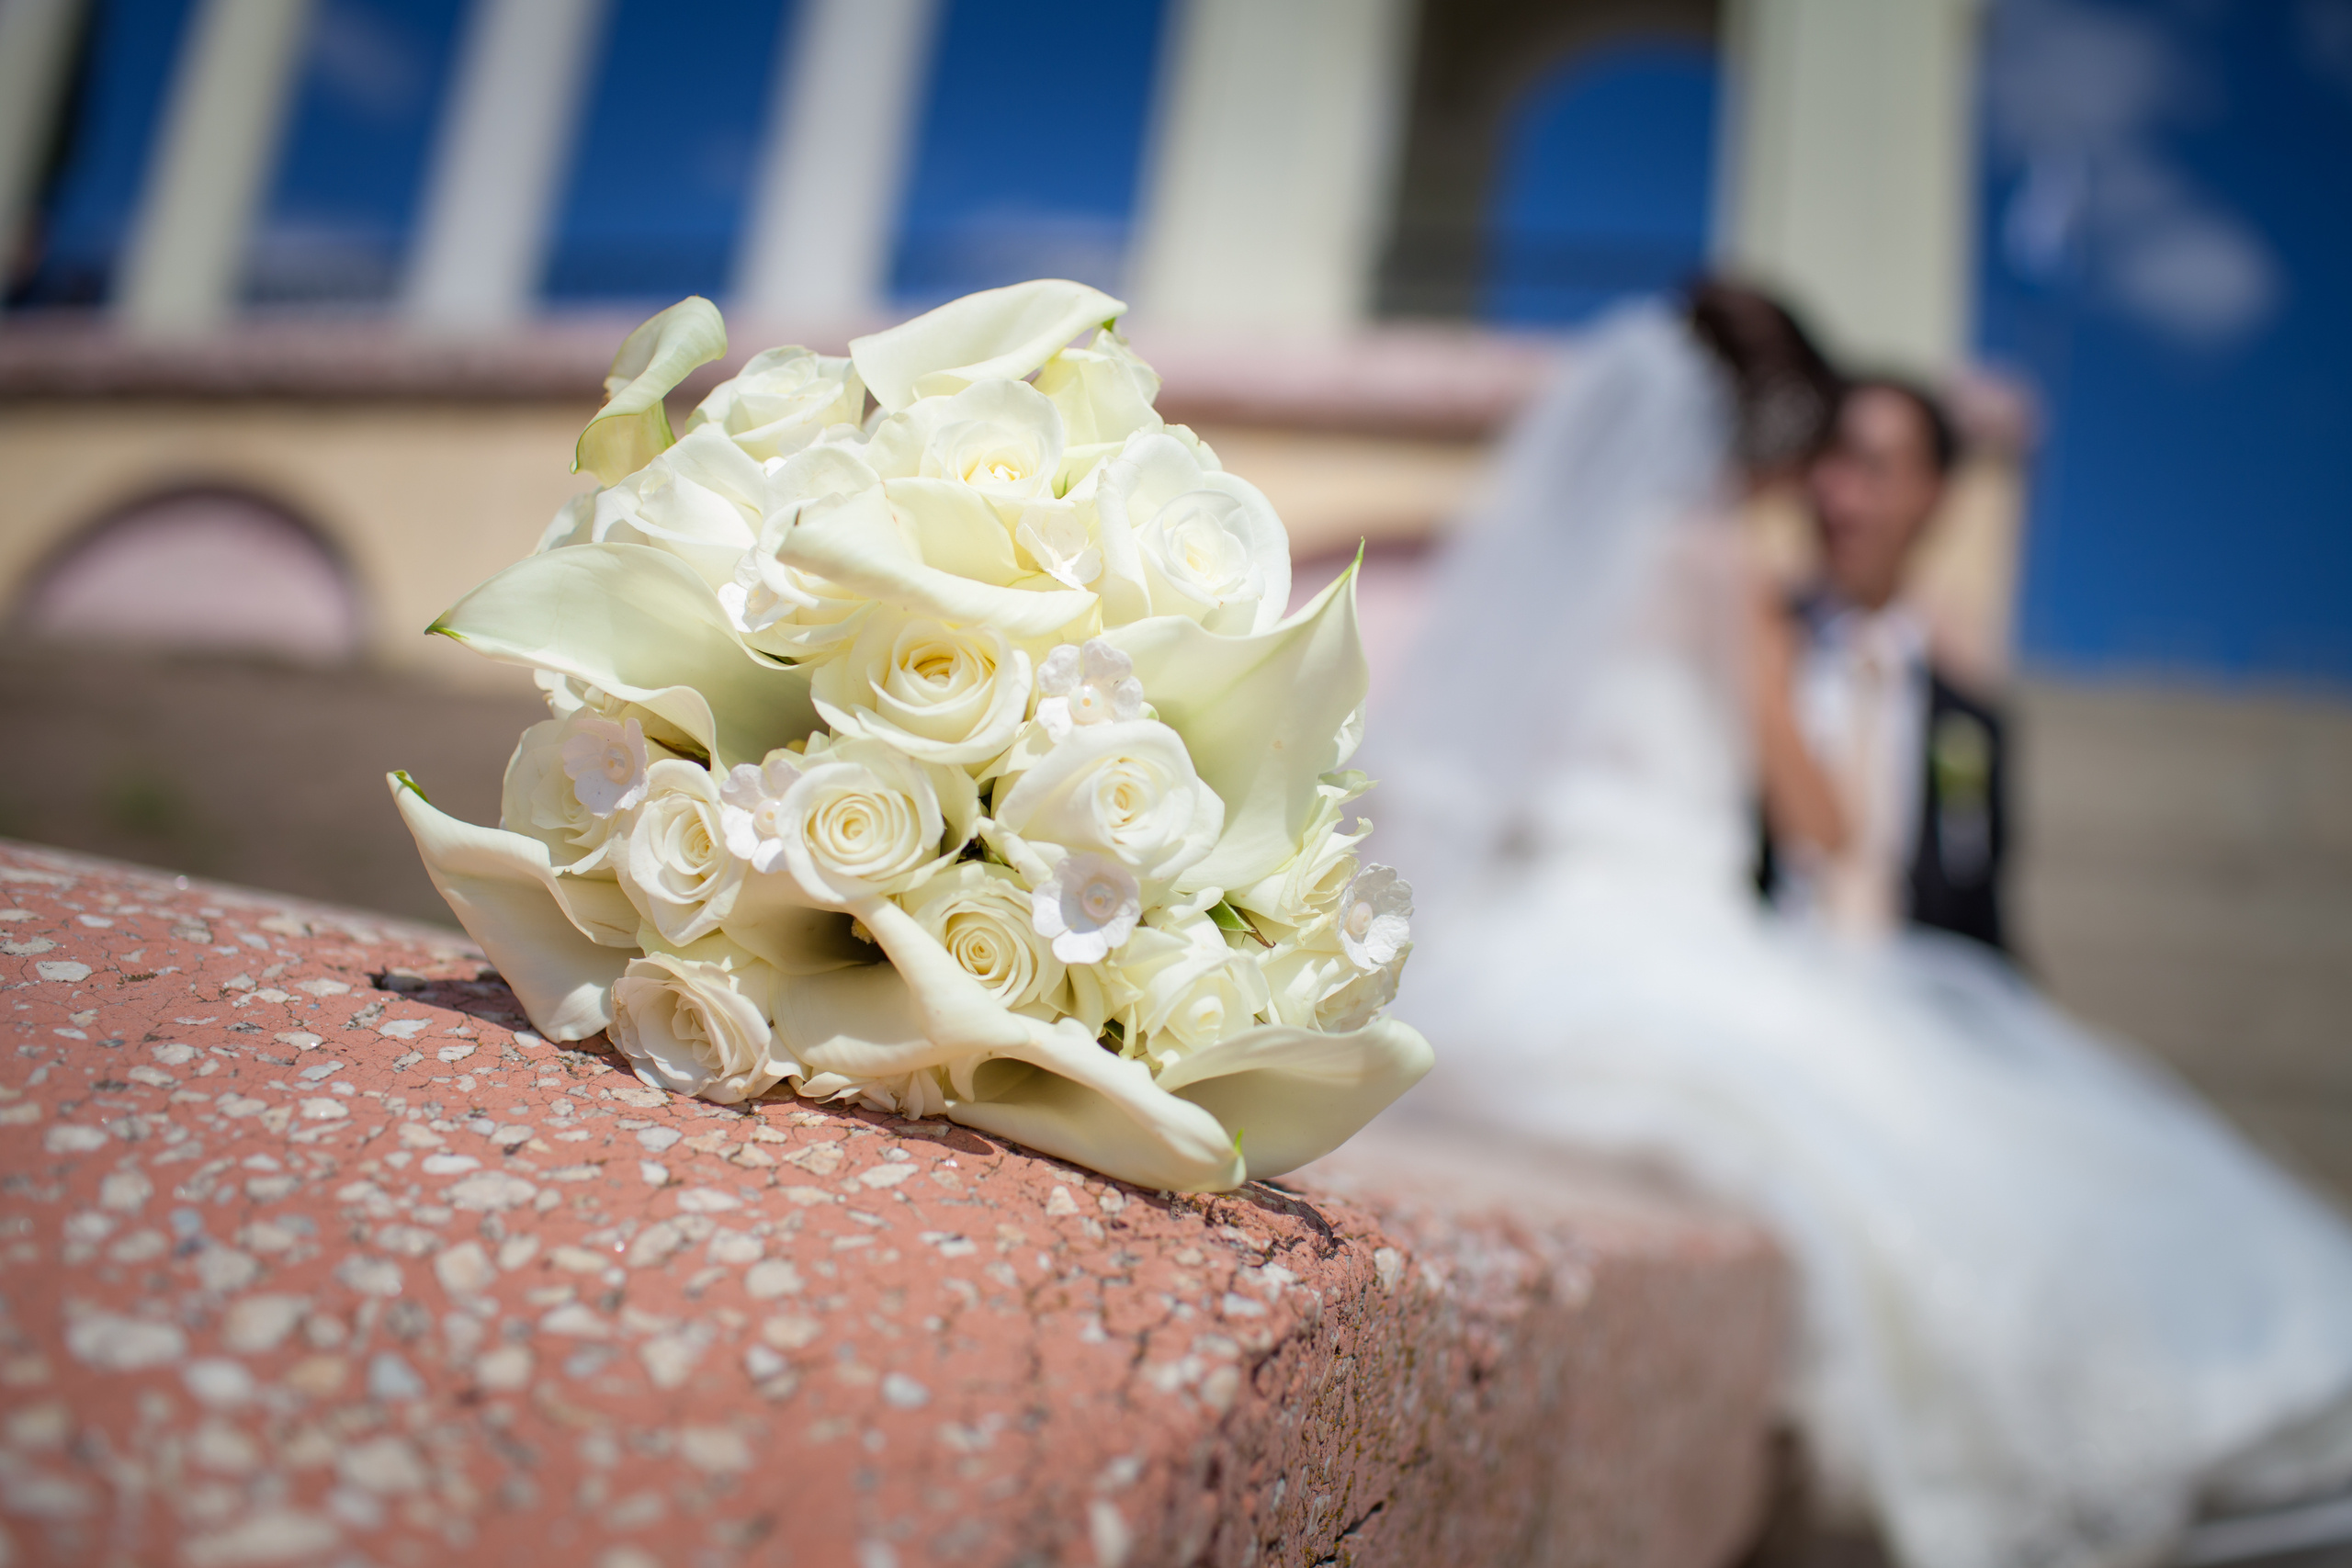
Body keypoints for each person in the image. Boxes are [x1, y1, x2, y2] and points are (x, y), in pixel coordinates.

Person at [1369, 284, 2352, 1568]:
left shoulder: (1575, 545)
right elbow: (1816, 815)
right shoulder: (1727, 561)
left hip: (1543, 906)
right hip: (1669, 906)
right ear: (1764, 430)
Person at [1755, 378, 2007, 952]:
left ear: (1934, 496)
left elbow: (1978, 918)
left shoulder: (1969, 724)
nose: (1840, 498)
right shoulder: (1755, 649)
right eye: (1826, 462)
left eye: (1873, 470)